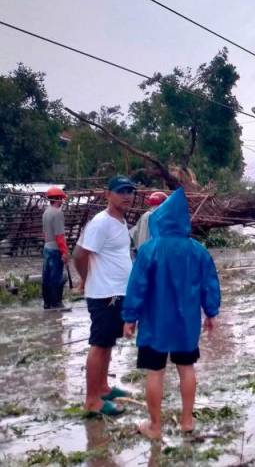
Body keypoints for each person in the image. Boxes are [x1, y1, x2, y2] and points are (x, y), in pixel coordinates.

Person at [122, 188, 221, 440]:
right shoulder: (198, 250)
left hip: (155, 323)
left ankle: (155, 427)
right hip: (186, 324)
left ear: (161, 219)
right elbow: (210, 283)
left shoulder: (149, 250)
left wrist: (129, 317)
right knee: (186, 368)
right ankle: (187, 421)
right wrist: (211, 313)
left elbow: (137, 286)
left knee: (155, 373)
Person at [73, 175, 137, 416]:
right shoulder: (100, 223)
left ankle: (103, 388)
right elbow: (79, 254)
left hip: (117, 292)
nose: (127, 195)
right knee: (99, 344)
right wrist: (86, 279)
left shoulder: (120, 221)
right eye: (121, 191)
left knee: (108, 341)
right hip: (104, 294)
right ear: (108, 195)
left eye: (130, 191)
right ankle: (91, 401)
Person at [41, 186, 69, 310]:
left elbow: (44, 233)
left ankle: (47, 303)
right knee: (56, 276)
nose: (62, 201)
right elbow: (59, 236)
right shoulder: (58, 213)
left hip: (47, 247)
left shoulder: (46, 212)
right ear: (57, 199)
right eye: (61, 199)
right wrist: (64, 252)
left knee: (46, 276)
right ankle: (56, 303)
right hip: (55, 249)